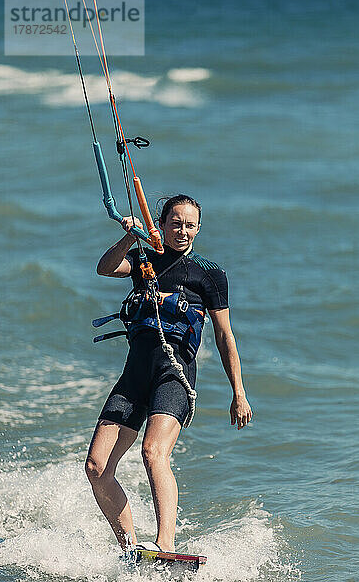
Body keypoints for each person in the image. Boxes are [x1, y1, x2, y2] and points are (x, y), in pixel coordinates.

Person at [85, 194, 252, 554]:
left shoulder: (210, 274)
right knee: (97, 467)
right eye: (175, 222)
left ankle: (164, 545)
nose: (183, 230)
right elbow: (106, 268)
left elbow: (224, 334)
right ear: (160, 224)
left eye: (190, 224)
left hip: (173, 375)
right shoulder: (144, 259)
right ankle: (131, 549)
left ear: (198, 228)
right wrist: (130, 236)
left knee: (152, 451)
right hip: (135, 375)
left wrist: (238, 392)